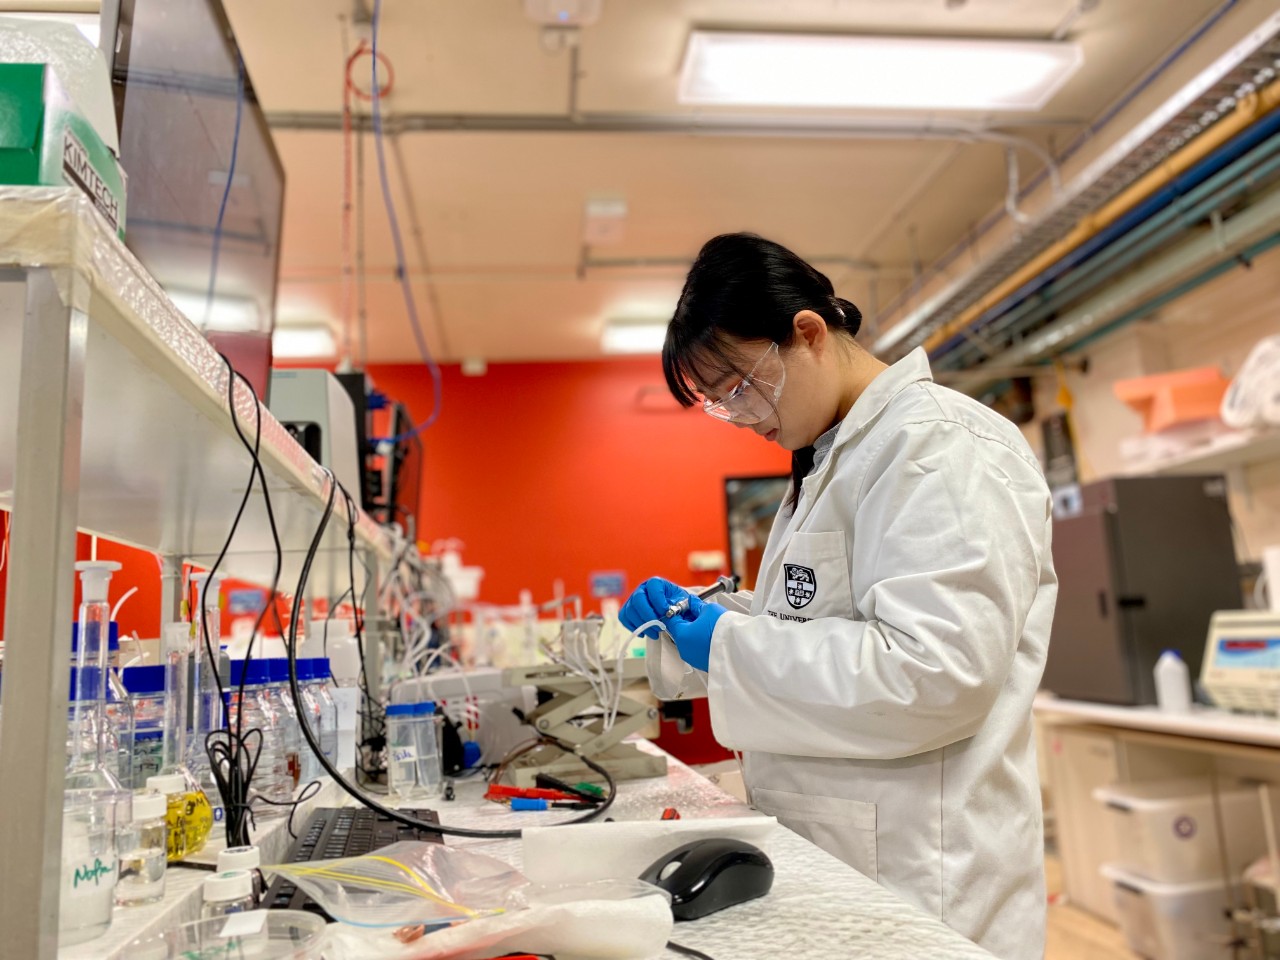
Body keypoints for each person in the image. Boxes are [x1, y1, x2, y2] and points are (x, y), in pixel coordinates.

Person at [620, 233, 1056, 960]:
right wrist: (706, 627)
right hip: (850, 859)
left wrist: (726, 645)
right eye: (720, 403)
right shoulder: (834, 459)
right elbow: (819, 624)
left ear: (809, 334)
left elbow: (933, 674)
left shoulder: (938, 446)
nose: (742, 416)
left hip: (925, 875)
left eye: (739, 385)